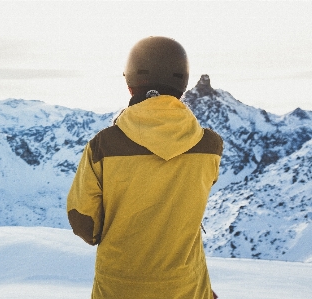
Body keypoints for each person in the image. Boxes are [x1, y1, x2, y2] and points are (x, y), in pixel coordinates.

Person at [67, 36, 222, 299]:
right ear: (182, 84)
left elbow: (84, 223)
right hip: (186, 285)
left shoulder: (103, 146)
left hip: (118, 286)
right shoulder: (209, 146)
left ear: (130, 83)